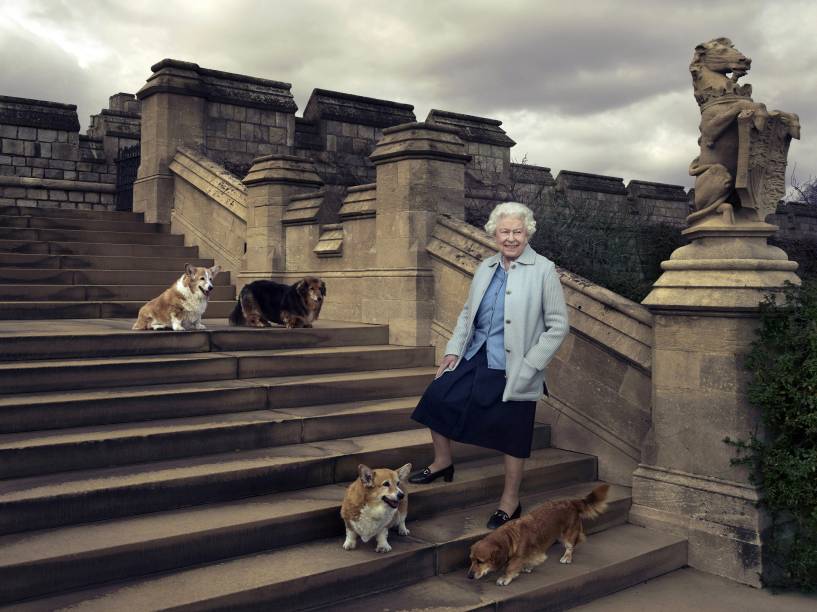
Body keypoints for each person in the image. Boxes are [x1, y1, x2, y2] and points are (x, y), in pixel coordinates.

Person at [409, 201, 569, 529]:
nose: (510, 238)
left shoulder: (543, 269)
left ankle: (510, 501)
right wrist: (453, 350)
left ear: (528, 233)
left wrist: (532, 364)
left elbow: (558, 325)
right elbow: (468, 313)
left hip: (516, 366)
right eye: (504, 232)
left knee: (513, 433)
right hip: (476, 354)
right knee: (436, 398)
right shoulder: (485, 267)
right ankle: (442, 462)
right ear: (494, 234)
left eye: (517, 232)